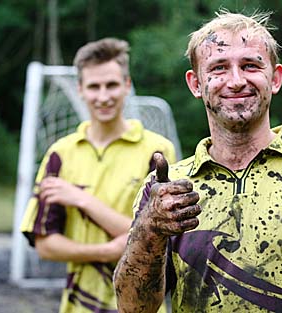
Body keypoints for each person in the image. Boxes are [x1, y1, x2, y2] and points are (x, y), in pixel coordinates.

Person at [114, 11, 282, 313]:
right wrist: (149, 229)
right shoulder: (169, 191)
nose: (236, 81)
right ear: (195, 83)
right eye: (219, 68)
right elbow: (133, 307)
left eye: (250, 66)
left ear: (275, 78)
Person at [20, 38, 176, 313]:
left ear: (127, 85)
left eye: (112, 85)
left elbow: (161, 238)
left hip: (141, 305)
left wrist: (82, 199)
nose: (103, 96)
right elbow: (45, 245)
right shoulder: (60, 153)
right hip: (79, 305)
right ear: (80, 89)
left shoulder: (157, 151)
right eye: (94, 86)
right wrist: (106, 250)